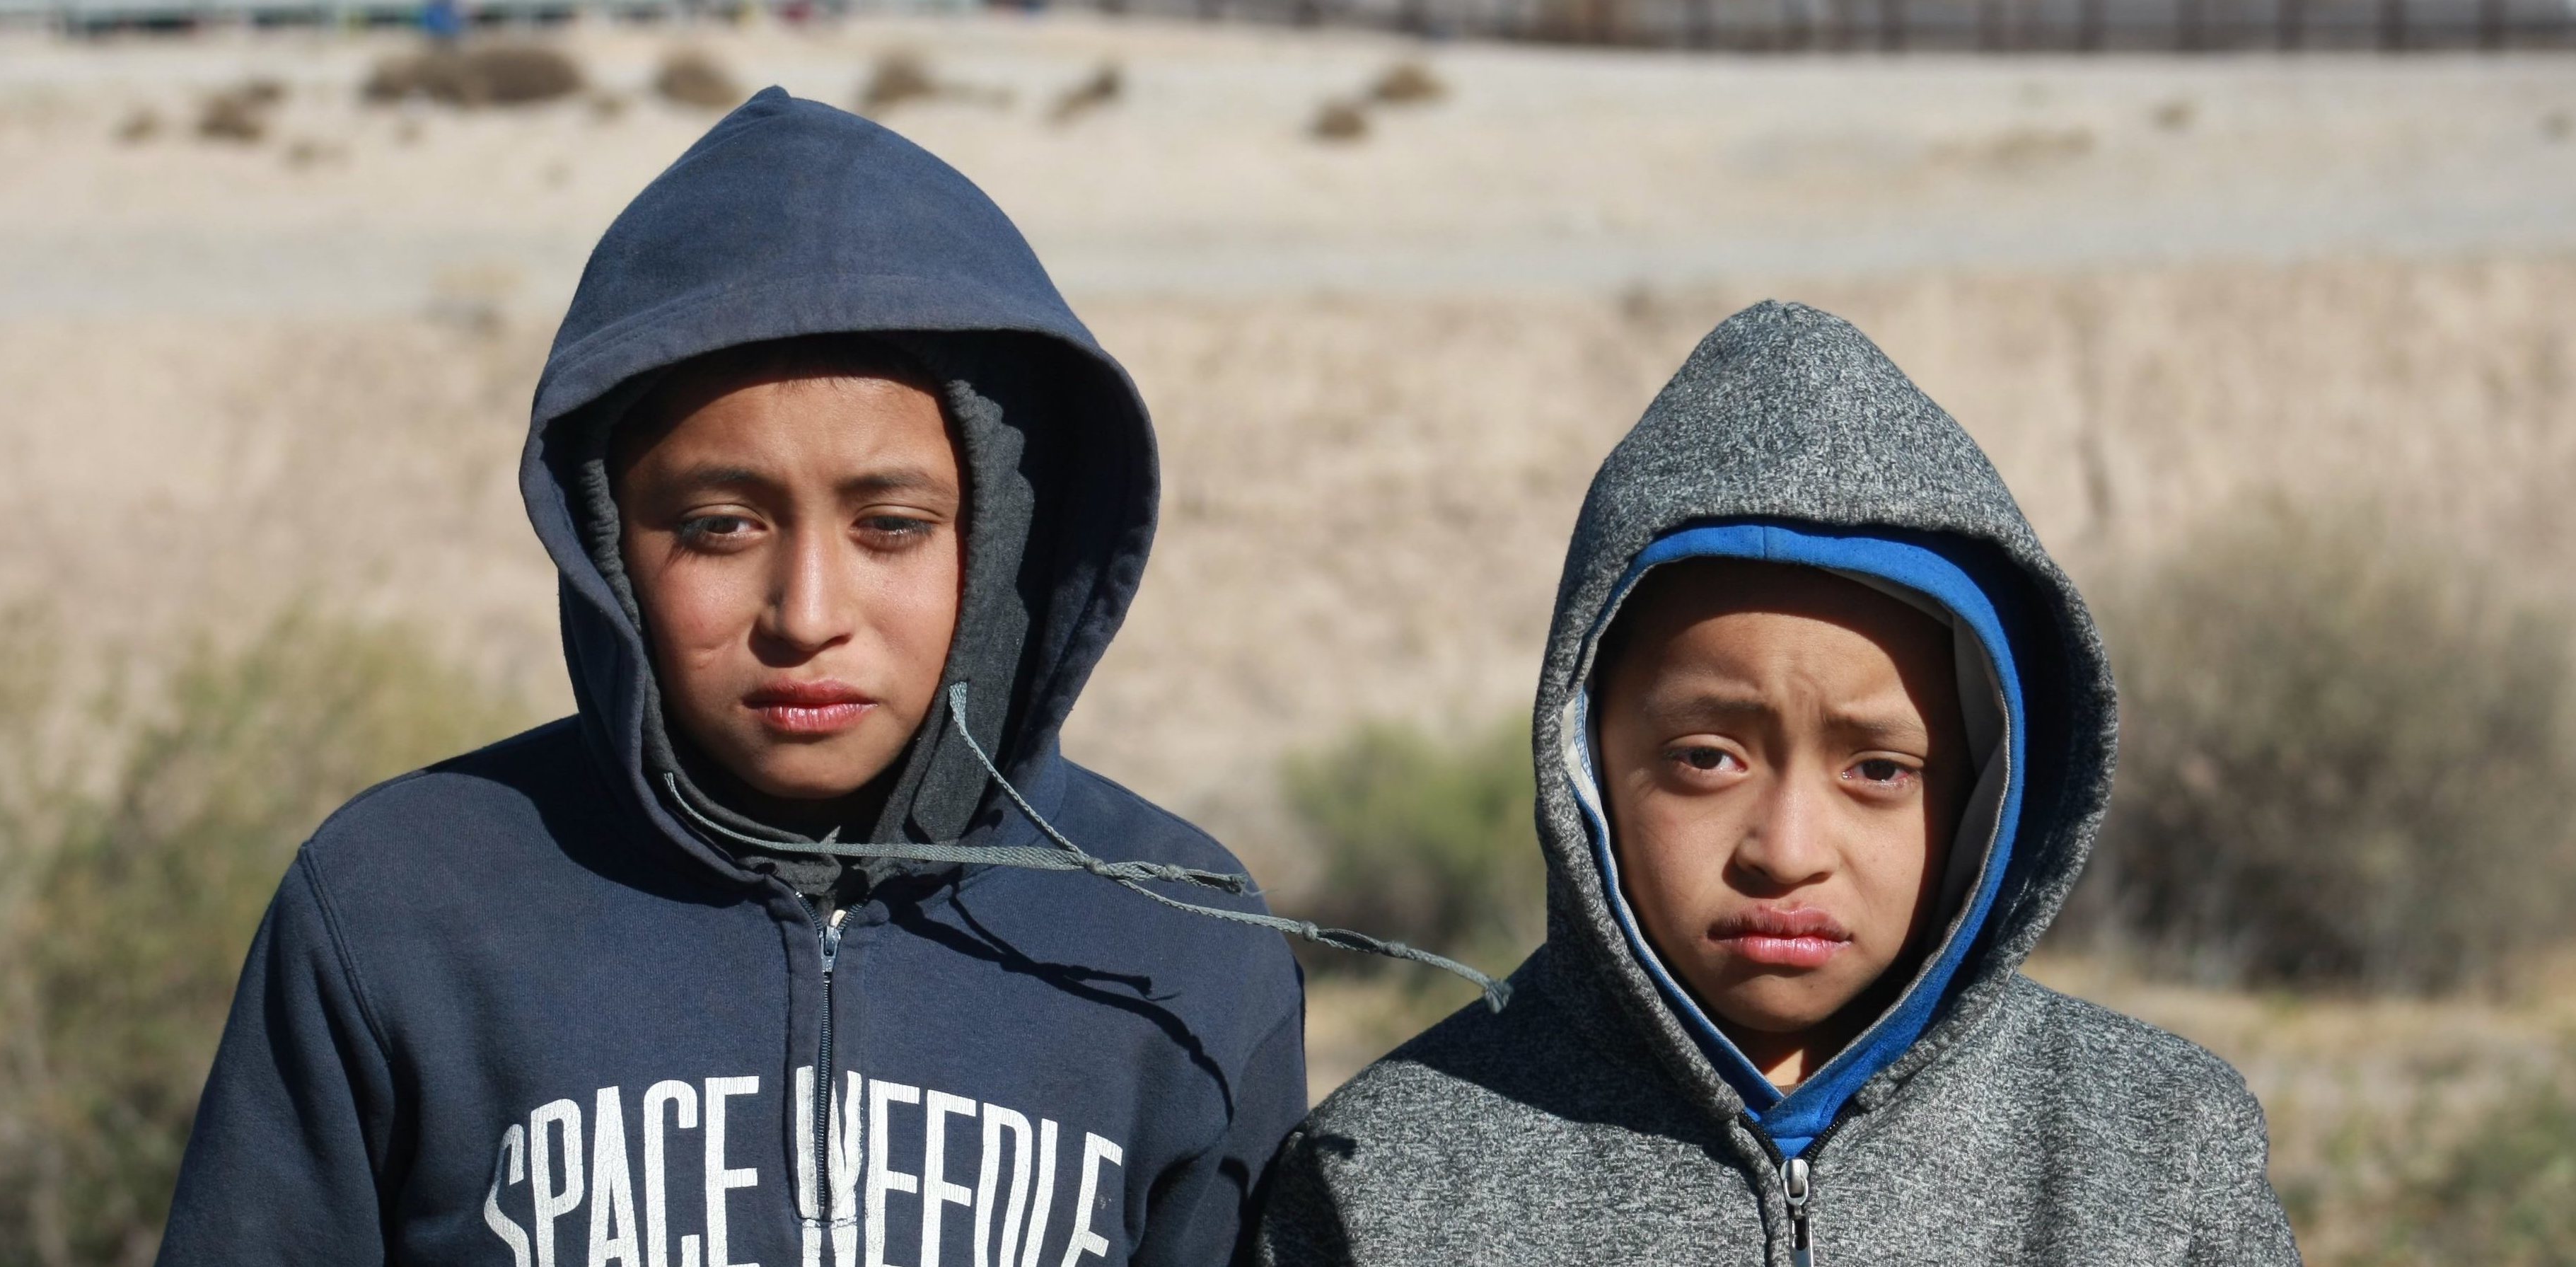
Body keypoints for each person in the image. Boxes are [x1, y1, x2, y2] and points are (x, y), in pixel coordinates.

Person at [159, 91, 1332, 1267]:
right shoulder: (400, 907)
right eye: (719, 526)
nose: (807, 616)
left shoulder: (1176, 947)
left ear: (1005, 545)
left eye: (891, 525)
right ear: (610, 542)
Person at [1253, 301, 2301, 1264]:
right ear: (1582, 764)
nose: (1787, 849)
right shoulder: (1386, 1185)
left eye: (1881, 770)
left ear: (1988, 796)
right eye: (1707, 758)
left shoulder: (2156, 1156)